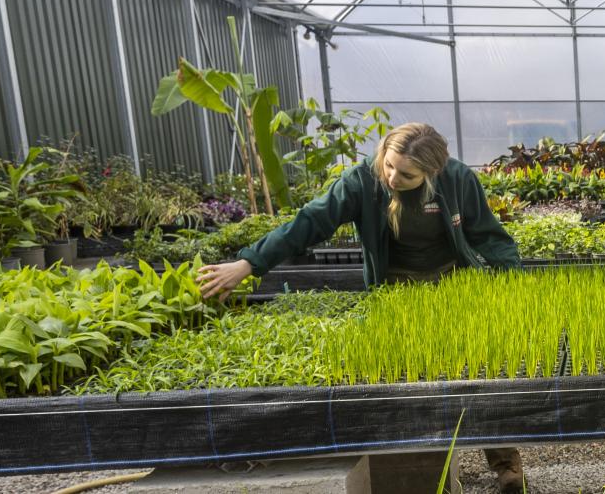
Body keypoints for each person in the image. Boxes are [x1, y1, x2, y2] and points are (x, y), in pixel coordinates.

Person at [195, 123, 528, 494]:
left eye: (406, 174)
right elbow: (309, 222)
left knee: (475, 371)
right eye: (388, 166)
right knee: (407, 378)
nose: (392, 178)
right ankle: (422, 464)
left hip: (453, 284)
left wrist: (514, 285)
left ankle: (505, 464)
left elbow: (489, 235)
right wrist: (248, 263)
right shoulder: (360, 182)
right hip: (394, 290)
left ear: (431, 172)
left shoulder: (457, 179)